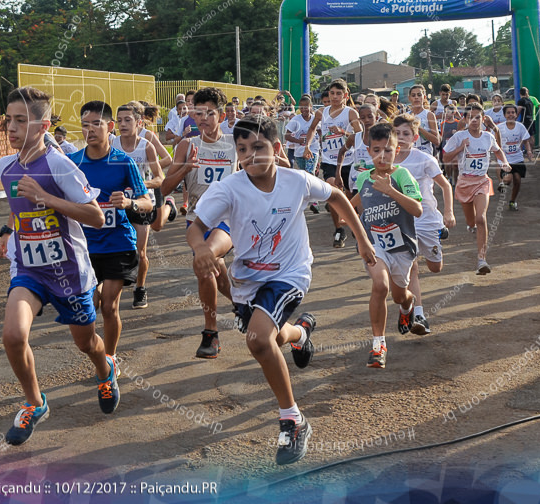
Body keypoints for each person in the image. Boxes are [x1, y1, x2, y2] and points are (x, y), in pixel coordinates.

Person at [188, 114, 375, 465]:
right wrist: (200, 249)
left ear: (276, 148)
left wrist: (361, 239)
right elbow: (197, 227)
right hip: (247, 281)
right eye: (242, 149)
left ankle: (293, 420)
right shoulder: (230, 187)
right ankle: (300, 333)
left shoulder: (297, 181)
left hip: (290, 273)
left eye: (258, 147)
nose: (250, 155)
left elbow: (337, 197)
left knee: (258, 340)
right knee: (271, 339)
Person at [0, 87, 118, 446]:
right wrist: (7, 235)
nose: (11, 128)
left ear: (43, 125)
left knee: (86, 344)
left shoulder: (60, 165)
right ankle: (35, 402)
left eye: (20, 120)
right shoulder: (5, 167)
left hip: (69, 273)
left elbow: (95, 216)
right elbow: (21, 215)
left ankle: (105, 368)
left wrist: (47, 198)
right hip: (28, 270)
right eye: (8, 120)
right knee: (13, 336)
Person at [68, 101, 152, 360]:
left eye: (96, 124)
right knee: (90, 305)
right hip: (85, 247)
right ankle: (97, 351)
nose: (89, 130)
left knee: (109, 306)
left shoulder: (123, 162)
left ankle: (110, 358)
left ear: (110, 127)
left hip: (119, 244)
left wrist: (130, 203)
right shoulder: (73, 163)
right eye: (84, 125)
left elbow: (147, 202)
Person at [161, 87, 238, 359]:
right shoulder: (186, 145)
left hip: (227, 219)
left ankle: (210, 333)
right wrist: (184, 169)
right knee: (214, 266)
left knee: (205, 265)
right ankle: (241, 304)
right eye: (197, 112)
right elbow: (164, 188)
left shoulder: (234, 143)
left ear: (221, 114)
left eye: (209, 113)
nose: (202, 118)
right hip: (197, 220)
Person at [351, 123, 423, 369]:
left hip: (402, 249)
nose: (382, 156)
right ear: (369, 151)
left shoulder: (402, 176)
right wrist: (344, 218)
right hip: (375, 246)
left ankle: (407, 305)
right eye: (376, 150)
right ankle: (378, 345)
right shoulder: (363, 177)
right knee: (379, 286)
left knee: (399, 295)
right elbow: (352, 205)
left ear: (398, 149)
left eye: (388, 150)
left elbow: (417, 209)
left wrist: (391, 191)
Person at [393, 114, 455, 335]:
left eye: (406, 134)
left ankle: (439, 239)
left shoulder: (425, 159)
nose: (401, 138)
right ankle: (418, 314)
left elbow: (446, 186)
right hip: (401, 223)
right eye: (397, 133)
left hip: (427, 219)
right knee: (413, 269)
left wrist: (448, 212)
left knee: (435, 267)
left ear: (415, 137)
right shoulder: (386, 160)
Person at [112, 102, 169, 309]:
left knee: (140, 251)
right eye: (119, 120)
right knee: (114, 248)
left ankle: (140, 288)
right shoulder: (112, 143)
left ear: (139, 122)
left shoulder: (146, 146)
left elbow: (159, 178)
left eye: (127, 120)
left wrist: (139, 184)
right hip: (118, 204)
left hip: (142, 204)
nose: (123, 124)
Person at [442, 105, 511, 275]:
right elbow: (445, 157)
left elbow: (498, 151)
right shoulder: (459, 136)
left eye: (477, 117)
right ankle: (470, 225)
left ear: (483, 119)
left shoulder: (488, 137)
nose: (474, 121)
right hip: (465, 182)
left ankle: (482, 260)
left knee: (481, 218)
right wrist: (461, 147)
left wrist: (504, 163)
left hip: (482, 182)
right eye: (471, 117)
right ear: (465, 120)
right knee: (472, 221)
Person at [302, 79, 361, 248]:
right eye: (332, 93)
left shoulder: (350, 113)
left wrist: (344, 132)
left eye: (338, 94)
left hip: (349, 160)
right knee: (333, 193)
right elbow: (312, 128)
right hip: (329, 160)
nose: (335, 97)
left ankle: (355, 228)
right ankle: (338, 229)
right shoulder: (322, 112)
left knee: (349, 197)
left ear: (345, 95)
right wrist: (307, 145)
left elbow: (359, 136)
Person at [497, 104, 533, 210]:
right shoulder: (499, 128)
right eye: (508, 113)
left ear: (516, 114)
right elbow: (494, 142)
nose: (511, 115)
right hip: (505, 159)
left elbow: (526, 141)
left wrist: (529, 151)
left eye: (513, 112)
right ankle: (502, 183)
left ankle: (512, 201)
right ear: (504, 115)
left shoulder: (520, 126)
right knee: (508, 179)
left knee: (517, 179)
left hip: (518, 158)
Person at [405, 85, 440, 156]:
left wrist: (419, 128)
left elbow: (437, 141)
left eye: (419, 95)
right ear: (409, 98)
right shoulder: (406, 116)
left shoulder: (429, 115)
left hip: (425, 151)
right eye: (413, 95)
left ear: (424, 97)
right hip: (410, 152)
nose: (416, 97)